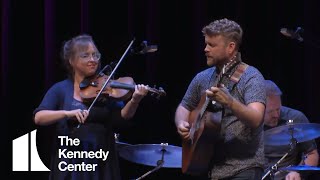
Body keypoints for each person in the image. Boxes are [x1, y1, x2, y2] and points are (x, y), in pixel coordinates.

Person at [33, 34, 149, 180]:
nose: (93, 60)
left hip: (101, 160)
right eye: (85, 56)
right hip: (71, 161)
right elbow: (39, 117)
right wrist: (67, 113)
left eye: (95, 55)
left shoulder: (106, 87)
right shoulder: (60, 89)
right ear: (71, 61)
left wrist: (135, 100)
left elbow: (121, 117)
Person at [174, 18, 266, 179]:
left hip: (244, 168)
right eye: (206, 43)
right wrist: (181, 122)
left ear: (231, 47)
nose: (205, 49)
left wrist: (230, 102)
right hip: (211, 168)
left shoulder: (251, 76)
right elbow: (184, 106)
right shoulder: (202, 78)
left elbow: (256, 118)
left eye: (212, 45)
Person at [263, 80, 319, 180]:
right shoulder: (247, 123)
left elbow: (312, 154)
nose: (276, 115)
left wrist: (298, 173)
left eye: (278, 109)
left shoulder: (296, 118)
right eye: (270, 111)